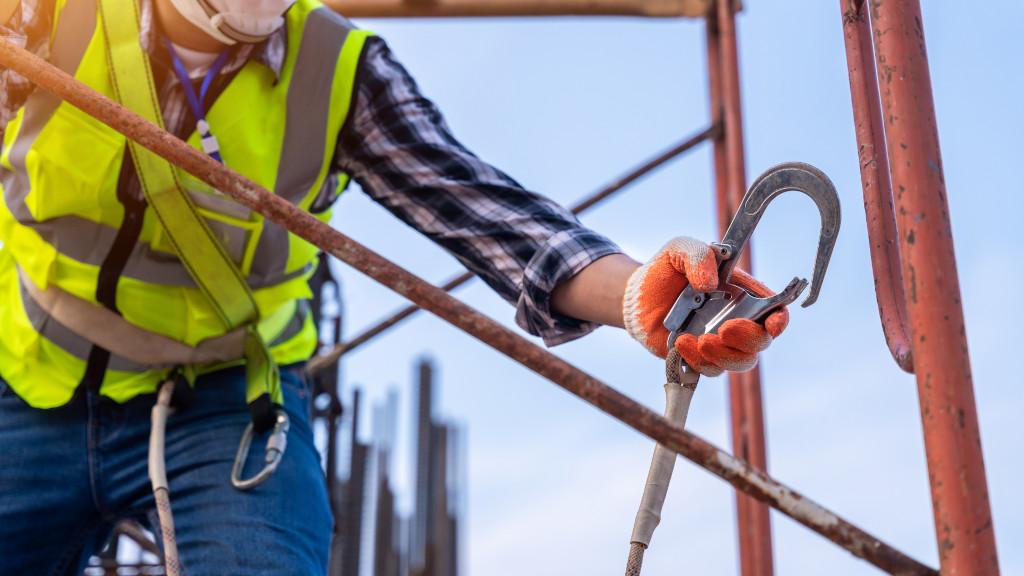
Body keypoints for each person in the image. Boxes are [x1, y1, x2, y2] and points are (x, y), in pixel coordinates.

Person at [0, 0, 787, 574]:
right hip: (30, 378)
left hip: (227, 405)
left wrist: (634, 294)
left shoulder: (337, 70)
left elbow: (489, 216)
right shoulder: (45, 11)